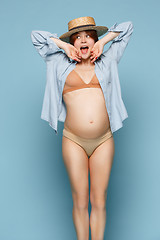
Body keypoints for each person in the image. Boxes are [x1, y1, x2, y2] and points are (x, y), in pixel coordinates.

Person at [31, 16, 133, 240]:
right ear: (72, 43)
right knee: (80, 199)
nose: (83, 40)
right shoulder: (57, 62)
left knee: (99, 200)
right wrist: (62, 45)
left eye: (88, 36)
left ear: (94, 40)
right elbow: (36, 37)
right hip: (73, 140)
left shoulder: (108, 60)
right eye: (77, 37)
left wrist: (105, 41)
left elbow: (127, 27)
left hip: (103, 140)